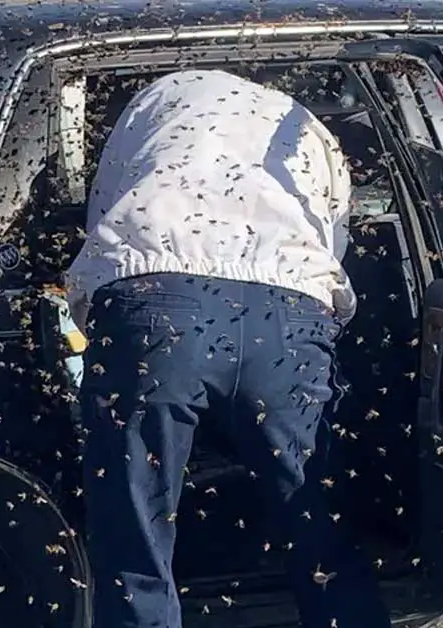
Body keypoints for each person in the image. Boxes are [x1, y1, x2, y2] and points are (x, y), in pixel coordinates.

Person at [65, 69, 391, 628]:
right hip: (289, 310)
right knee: (315, 518)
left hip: (155, 301)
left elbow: (108, 212)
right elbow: (331, 232)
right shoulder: (304, 126)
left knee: (134, 531)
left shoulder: (153, 101)